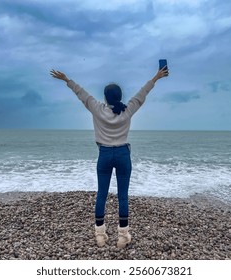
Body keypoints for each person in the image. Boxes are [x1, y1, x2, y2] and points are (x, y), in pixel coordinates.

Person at [50, 65, 169, 248]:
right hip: (122, 154)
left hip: (104, 154)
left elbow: (81, 93)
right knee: (123, 196)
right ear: (120, 97)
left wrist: (67, 80)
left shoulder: (98, 109)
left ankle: (100, 236)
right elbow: (142, 93)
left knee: (102, 195)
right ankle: (122, 237)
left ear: (105, 97)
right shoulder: (128, 109)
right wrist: (156, 77)